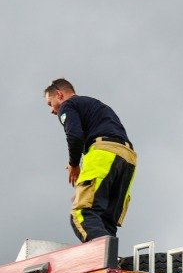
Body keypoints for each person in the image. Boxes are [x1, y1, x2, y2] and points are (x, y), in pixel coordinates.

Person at [44, 78, 137, 244]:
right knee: (105, 220)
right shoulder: (96, 105)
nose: (51, 111)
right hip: (128, 158)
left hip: (103, 153)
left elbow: (75, 136)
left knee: (82, 213)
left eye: (50, 103)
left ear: (59, 94)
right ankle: (111, 263)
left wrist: (74, 165)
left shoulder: (68, 106)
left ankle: (102, 258)